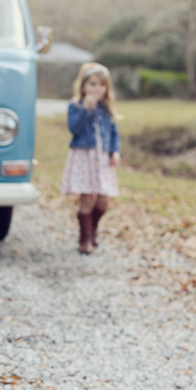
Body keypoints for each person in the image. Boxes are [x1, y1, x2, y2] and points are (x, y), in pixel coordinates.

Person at [60, 62, 121, 254]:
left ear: (107, 88)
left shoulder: (106, 109)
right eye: (92, 84)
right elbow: (74, 129)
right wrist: (85, 109)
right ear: (84, 86)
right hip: (83, 158)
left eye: (101, 85)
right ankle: (85, 239)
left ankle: (93, 230)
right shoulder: (76, 106)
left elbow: (114, 133)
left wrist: (116, 151)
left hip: (102, 159)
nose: (96, 88)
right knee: (86, 197)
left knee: (103, 201)